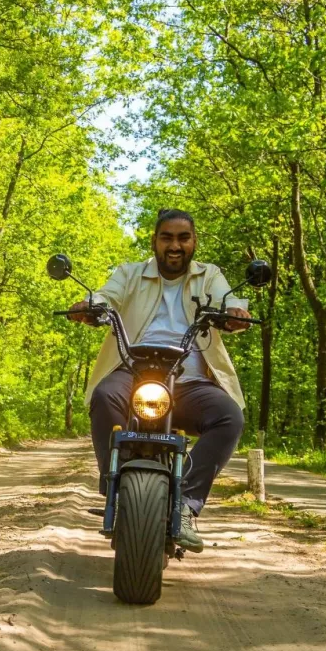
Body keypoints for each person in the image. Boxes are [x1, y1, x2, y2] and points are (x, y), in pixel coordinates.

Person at [68, 207, 250, 552]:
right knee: (105, 397)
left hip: (191, 382)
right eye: (167, 237)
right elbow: (107, 295)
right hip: (132, 374)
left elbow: (229, 302)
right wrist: (90, 307)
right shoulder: (131, 273)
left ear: (194, 242)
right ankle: (115, 486)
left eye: (183, 237)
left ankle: (186, 503)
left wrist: (235, 314)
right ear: (155, 241)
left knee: (229, 416)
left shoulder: (210, 276)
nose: (175, 245)